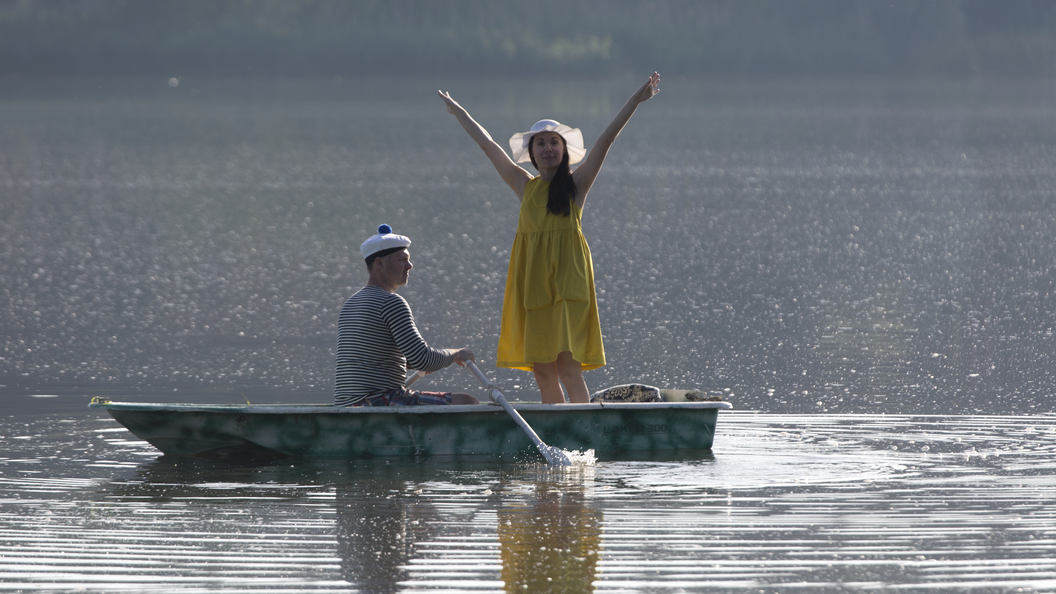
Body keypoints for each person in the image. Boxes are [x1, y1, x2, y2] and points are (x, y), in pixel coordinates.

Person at [438, 72, 660, 404]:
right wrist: (461, 113)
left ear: (563, 150)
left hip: (569, 288)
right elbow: (488, 145)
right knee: (543, 374)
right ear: (532, 151)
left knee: (569, 370)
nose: (547, 148)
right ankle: (557, 436)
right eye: (540, 143)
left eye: (553, 142)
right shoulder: (523, 185)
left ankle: (584, 436)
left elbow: (606, 139)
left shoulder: (577, 183)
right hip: (534, 289)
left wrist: (635, 101)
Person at [334, 224, 479, 407]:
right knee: (467, 402)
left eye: (408, 260)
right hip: (378, 403)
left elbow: (372, 357)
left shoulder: (350, 304)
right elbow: (424, 359)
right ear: (379, 264)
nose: (409, 266)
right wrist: (456, 353)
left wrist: (406, 363)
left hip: (346, 405)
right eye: (402, 260)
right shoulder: (391, 302)